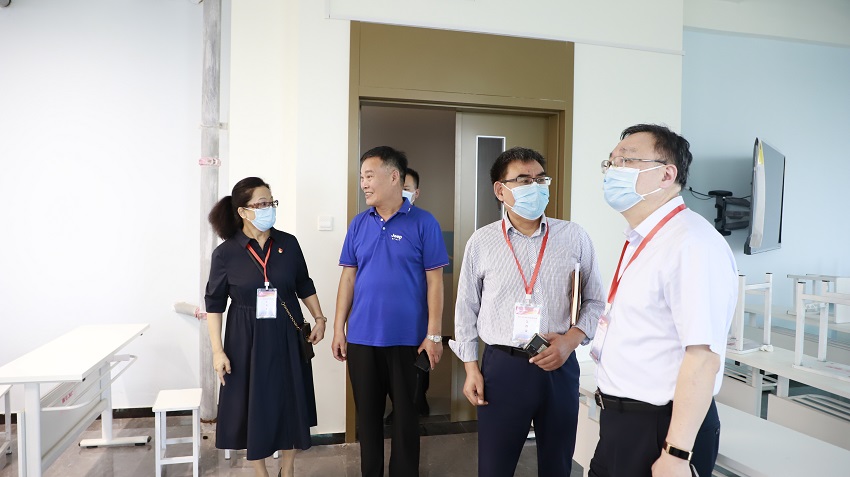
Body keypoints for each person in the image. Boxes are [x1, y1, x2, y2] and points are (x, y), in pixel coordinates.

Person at [588, 124, 737, 477]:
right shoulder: (645, 238)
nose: (612, 171)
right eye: (610, 162)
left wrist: (676, 453)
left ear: (666, 175)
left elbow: (703, 357)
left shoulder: (692, 244)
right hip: (621, 422)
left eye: (626, 161)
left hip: (660, 430)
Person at [449, 146, 605, 477]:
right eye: (523, 180)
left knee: (557, 466)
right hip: (503, 368)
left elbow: (595, 301)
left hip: (559, 363)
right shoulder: (481, 242)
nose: (534, 187)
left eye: (540, 179)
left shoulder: (574, 236)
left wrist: (570, 341)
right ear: (500, 190)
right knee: (495, 467)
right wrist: (471, 368)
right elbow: (466, 308)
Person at [332, 146, 449, 477]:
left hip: (408, 340)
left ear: (394, 176)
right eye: (361, 178)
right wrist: (339, 328)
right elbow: (348, 277)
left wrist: (434, 335)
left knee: (406, 419)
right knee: (367, 420)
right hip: (362, 339)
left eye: (369, 176)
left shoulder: (424, 223)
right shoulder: (359, 224)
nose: (364, 184)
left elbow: (435, 283)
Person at [205, 177, 328, 477]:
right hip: (245, 337)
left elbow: (303, 284)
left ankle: (288, 468)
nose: (268, 209)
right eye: (261, 204)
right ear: (243, 211)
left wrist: (319, 318)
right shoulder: (225, 254)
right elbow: (214, 304)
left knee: (290, 400)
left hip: (286, 332)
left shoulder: (288, 243)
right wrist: (218, 352)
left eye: (271, 202)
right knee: (252, 404)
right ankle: (260, 471)